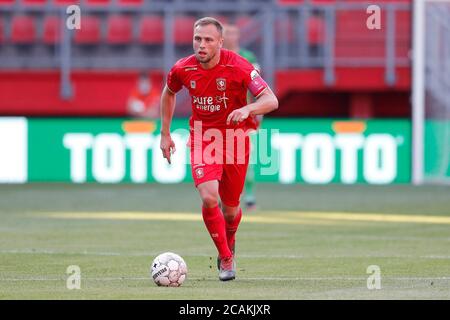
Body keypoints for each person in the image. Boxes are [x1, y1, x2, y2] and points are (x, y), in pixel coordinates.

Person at [159, 17, 278, 281]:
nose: (201, 45)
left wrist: (248, 108)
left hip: (236, 141)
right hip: (204, 138)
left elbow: (271, 100)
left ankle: (230, 240)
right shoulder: (182, 69)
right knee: (209, 197)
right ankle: (225, 256)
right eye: (197, 39)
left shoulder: (239, 66)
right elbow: (169, 93)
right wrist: (165, 133)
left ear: (220, 43)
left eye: (208, 40)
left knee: (231, 210)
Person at [223, 23, 262, 211]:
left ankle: (249, 197)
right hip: (221, 115)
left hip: (244, 115)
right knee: (220, 159)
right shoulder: (215, 57)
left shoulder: (248, 58)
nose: (231, 36)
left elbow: (258, 87)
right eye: (227, 33)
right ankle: (224, 196)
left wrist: (258, 112)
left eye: (233, 33)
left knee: (246, 157)